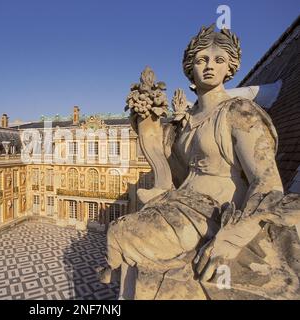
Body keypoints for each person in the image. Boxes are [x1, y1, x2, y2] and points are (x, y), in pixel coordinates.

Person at [101, 24, 300, 299]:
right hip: (183, 202)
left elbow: (266, 183)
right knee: (119, 231)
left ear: (230, 67)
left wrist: (232, 239)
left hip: (215, 212)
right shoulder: (188, 122)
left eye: (219, 60)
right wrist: (148, 130)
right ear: (190, 67)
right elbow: (176, 173)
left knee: (127, 233)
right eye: (201, 59)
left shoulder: (239, 111)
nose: (209, 66)